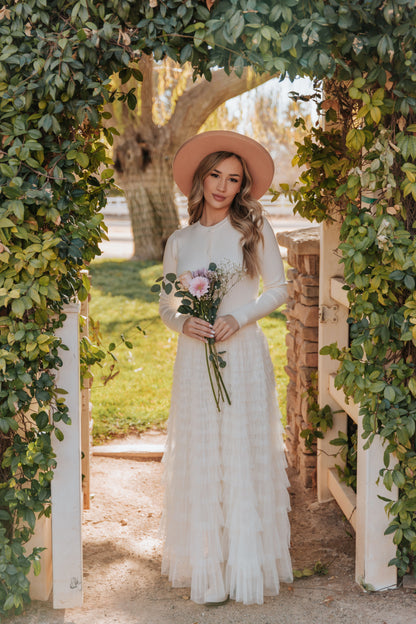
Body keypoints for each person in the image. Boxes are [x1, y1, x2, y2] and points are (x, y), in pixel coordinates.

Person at [159, 130, 293, 606]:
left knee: (240, 452)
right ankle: (208, 570)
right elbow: (166, 301)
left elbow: (278, 289)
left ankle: (245, 566)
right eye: (215, 174)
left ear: (242, 188)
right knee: (202, 454)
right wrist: (182, 322)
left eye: (233, 179)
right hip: (197, 361)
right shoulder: (180, 239)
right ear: (200, 179)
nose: (222, 185)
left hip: (241, 354)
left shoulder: (254, 232)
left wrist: (240, 316)